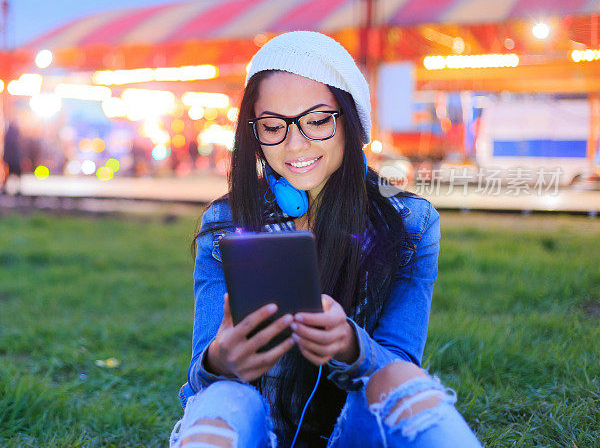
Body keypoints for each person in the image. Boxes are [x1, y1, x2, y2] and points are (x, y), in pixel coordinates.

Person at [170, 32, 482, 448]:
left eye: (317, 121)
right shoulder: (228, 221)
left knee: (401, 378)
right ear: (254, 132)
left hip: (353, 435)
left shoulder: (411, 224)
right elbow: (199, 379)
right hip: (252, 433)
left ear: (351, 120)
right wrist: (220, 359)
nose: (295, 144)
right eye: (273, 126)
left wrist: (351, 345)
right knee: (224, 395)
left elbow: (399, 367)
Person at [2, 119, 22, 195]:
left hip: (10, 159)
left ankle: (8, 189)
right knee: (16, 174)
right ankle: (16, 190)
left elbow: (6, 148)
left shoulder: (8, 134)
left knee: (10, 174)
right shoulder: (15, 135)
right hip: (14, 159)